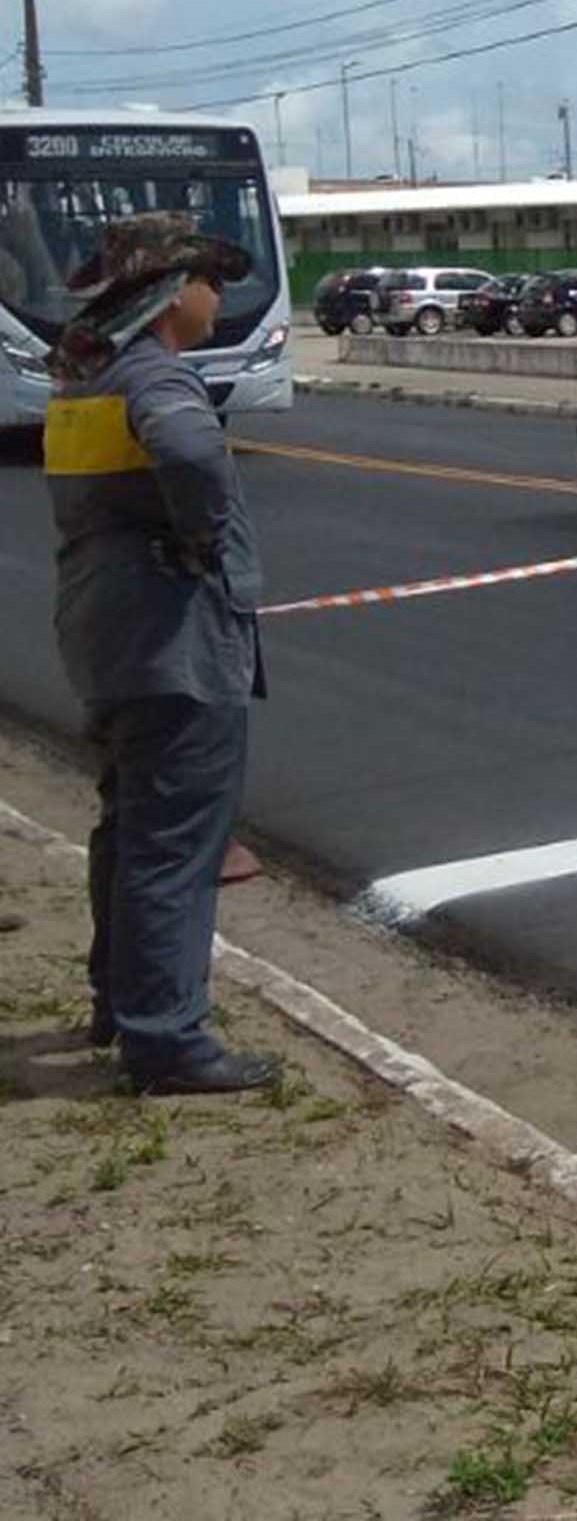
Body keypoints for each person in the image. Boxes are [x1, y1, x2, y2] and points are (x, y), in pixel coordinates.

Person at [45, 212, 279, 1095]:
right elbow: (188, 453)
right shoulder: (157, 379)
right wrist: (202, 538)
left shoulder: (87, 382)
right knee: (176, 843)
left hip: (104, 635)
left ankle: (120, 997)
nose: (218, 295)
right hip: (171, 644)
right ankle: (167, 1039)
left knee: (130, 825)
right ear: (170, 294)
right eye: (208, 279)